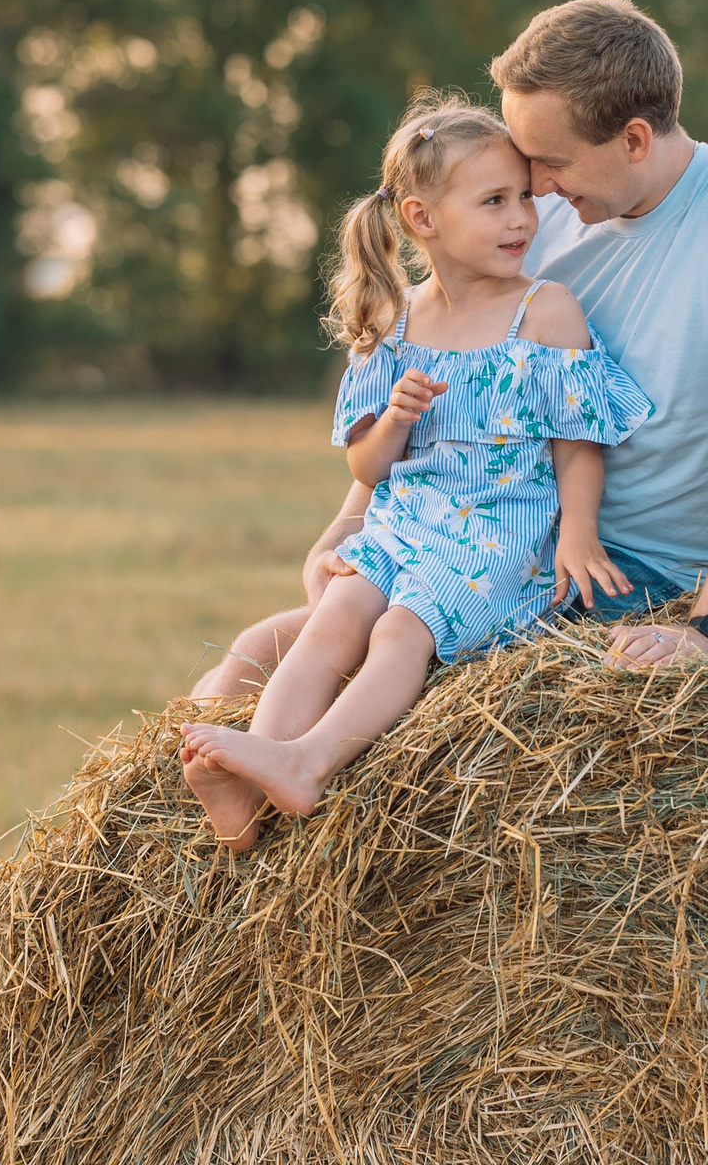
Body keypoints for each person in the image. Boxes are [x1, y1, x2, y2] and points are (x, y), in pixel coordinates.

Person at [0, 0, 708, 1051]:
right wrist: (351, 514)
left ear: (631, 138)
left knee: (315, 666)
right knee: (260, 654)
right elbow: (438, 376)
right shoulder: (548, 209)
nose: (533, 191)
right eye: (521, 170)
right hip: (461, 526)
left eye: (550, 165)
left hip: (586, 570)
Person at [178, 96, 651, 849]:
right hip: (406, 525)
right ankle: (252, 773)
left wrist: (580, 534)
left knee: (400, 630)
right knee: (334, 617)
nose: (522, 219)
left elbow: (578, 442)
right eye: (494, 202)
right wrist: (395, 418)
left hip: (497, 538)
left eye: (524, 197)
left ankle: (310, 760)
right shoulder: (394, 321)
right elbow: (366, 465)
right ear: (422, 219)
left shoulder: (544, 310)